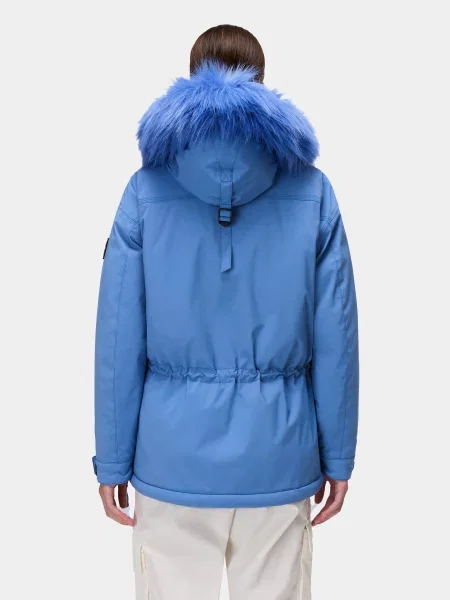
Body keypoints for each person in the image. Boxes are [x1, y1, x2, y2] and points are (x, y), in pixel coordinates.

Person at [93, 24, 358, 600]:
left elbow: (117, 336)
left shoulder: (145, 191)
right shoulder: (313, 192)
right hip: (279, 456)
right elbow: (336, 336)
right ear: (263, 86)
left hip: (171, 458)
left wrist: (112, 460)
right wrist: (338, 455)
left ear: (191, 81)